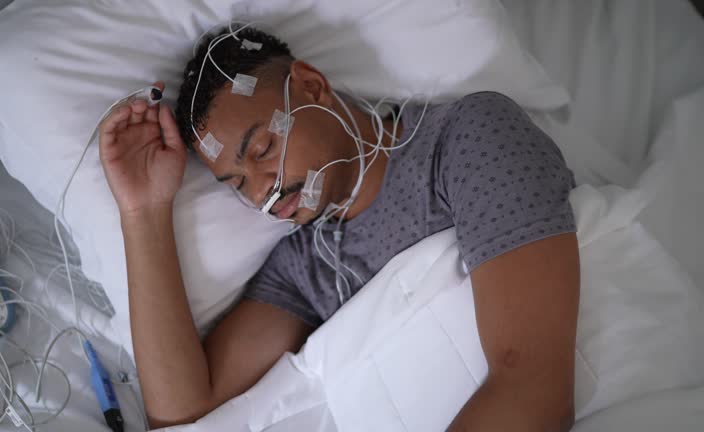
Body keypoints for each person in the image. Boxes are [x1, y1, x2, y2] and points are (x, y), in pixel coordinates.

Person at [98, 26, 580, 431]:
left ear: (310, 85)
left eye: (263, 149)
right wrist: (144, 211)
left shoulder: (465, 139)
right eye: (237, 183)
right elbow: (186, 415)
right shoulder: (306, 267)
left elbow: (533, 386)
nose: (264, 190)